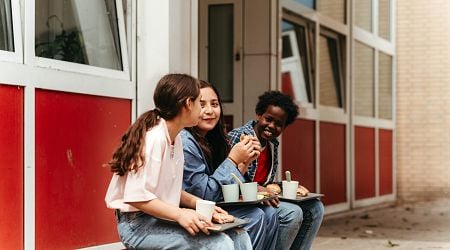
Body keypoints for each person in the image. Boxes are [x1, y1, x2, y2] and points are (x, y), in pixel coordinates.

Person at [104, 74, 252, 250]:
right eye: (200, 103)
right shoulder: (154, 138)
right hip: (137, 225)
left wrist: (203, 206)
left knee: (239, 235)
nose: (204, 109)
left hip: (160, 217)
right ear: (188, 104)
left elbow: (169, 189)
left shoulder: (177, 138)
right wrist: (180, 214)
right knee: (221, 244)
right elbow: (136, 196)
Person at [181, 80, 279, 250]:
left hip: (215, 204)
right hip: (190, 208)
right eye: (202, 104)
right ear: (190, 106)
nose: (209, 111)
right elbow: (205, 194)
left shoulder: (214, 138)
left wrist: (244, 162)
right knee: (256, 216)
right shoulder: (185, 141)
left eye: (215, 104)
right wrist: (233, 159)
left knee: (270, 214)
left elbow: (223, 188)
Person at [228, 91, 324, 250]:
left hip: (261, 198)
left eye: (279, 124)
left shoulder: (272, 144)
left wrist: (283, 186)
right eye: (268, 119)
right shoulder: (240, 137)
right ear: (259, 115)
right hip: (242, 201)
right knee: (292, 213)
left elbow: (265, 182)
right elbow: (228, 176)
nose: (272, 126)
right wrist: (258, 189)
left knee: (315, 208)